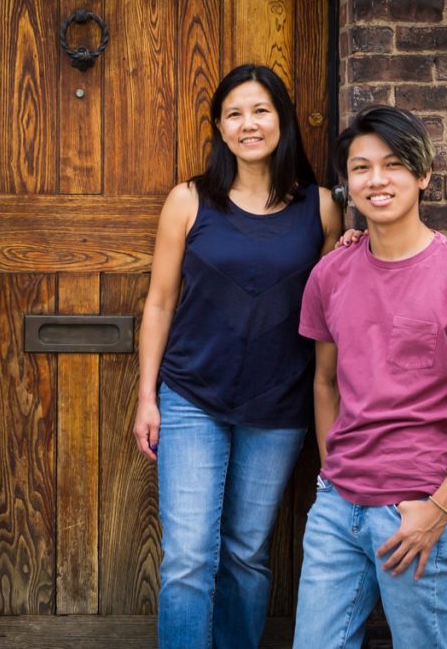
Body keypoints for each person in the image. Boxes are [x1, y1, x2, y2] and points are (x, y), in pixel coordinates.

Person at [133, 64, 344, 649]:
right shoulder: (188, 201)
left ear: (282, 120)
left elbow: (333, 307)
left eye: (260, 110)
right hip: (191, 397)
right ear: (219, 129)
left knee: (247, 555)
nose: (248, 124)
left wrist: (354, 241)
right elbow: (159, 303)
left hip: (277, 406)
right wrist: (146, 397)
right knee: (187, 560)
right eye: (234, 113)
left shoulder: (323, 209)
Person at [292, 105, 447, 648]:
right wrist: (331, 474)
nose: (377, 180)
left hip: (415, 507)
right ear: (347, 183)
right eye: (361, 168)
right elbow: (325, 383)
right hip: (338, 509)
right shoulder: (330, 274)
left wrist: (438, 510)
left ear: (422, 174)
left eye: (392, 165)